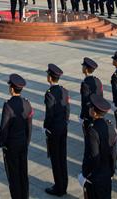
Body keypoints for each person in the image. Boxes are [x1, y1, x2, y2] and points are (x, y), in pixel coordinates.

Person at [0, 73, 33, 199]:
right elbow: (29, 126)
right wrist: (27, 141)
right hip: (23, 143)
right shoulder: (27, 103)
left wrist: (2, 143)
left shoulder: (8, 105)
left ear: (11, 89)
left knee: (14, 176)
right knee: (23, 173)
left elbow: (4, 128)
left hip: (11, 146)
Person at [80, 95, 117, 199]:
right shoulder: (109, 125)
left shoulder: (92, 130)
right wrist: (112, 170)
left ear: (94, 112)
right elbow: (113, 152)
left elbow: (93, 156)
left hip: (96, 177)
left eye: (91, 107)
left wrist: (86, 174)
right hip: (107, 173)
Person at [44, 64, 70, 197]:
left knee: (56, 159)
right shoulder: (64, 90)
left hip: (54, 130)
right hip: (63, 127)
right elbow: (67, 109)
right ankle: (63, 184)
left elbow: (49, 114)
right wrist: (65, 121)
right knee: (62, 157)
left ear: (49, 78)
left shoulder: (49, 94)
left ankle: (59, 188)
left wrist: (46, 127)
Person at [80, 57, 102, 128]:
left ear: (86, 69)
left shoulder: (85, 83)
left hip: (89, 115)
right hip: (97, 112)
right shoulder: (97, 80)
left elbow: (85, 101)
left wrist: (82, 116)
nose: (82, 68)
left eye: (83, 66)